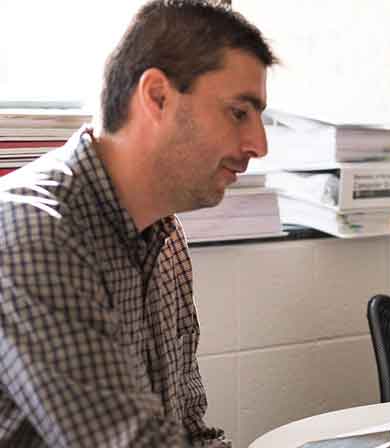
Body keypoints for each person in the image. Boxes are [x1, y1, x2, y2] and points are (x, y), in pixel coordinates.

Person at [0, 1, 274, 446]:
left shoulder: (165, 240)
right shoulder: (32, 232)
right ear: (157, 97)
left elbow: (187, 433)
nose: (259, 144)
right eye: (239, 112)